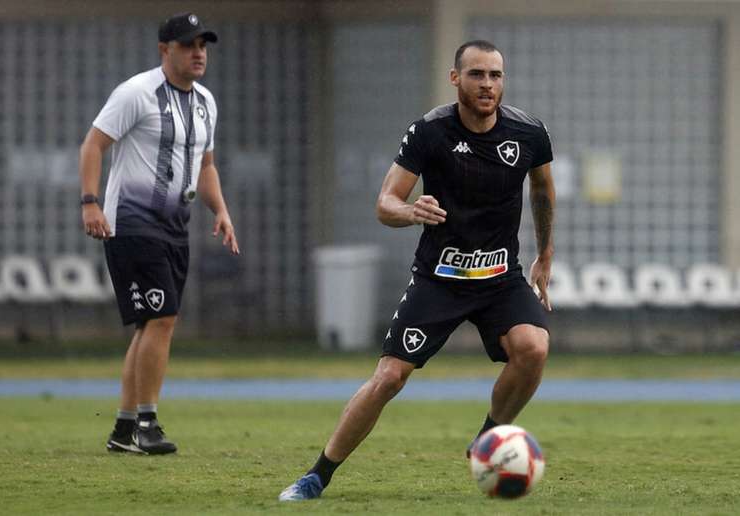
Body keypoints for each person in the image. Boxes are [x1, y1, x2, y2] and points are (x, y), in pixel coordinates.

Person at [279, 39, 554, 500]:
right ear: (455, 79)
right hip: (440, 279)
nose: (487, 85)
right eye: (477, 75)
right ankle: (316, 475)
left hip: (499, 278)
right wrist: (410, 211)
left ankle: (487, 440)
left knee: (535, 347)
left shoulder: (529, 133)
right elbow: (385, 203)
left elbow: (543, 190)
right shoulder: (430, 131)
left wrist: (545, 255)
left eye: (495, 75)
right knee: (389, 377)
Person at [78, 12, 239, 455]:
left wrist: (221, 210)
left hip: (175, 226)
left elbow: (205, 166)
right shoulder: (135, 93)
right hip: (131, 221)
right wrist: (90, 202)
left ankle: (125, 429)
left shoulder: (206, 101)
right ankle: (147, 423)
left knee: (152, 323)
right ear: (164, 50)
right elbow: (93, 144)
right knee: (164, 319)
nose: (199, 53)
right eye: (189, 45)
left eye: (203, 45)